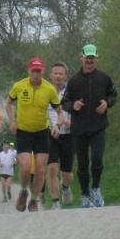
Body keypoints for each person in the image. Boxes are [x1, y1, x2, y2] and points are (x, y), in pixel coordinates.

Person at [61, 44, 117, 208]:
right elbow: (64, 102)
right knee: (83, 163)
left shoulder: (104, 78)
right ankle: (85, 195)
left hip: (98, 126)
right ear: (81, 58)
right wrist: (73, 106)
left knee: (97, 158)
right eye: (87, 58)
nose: (89, 61)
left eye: (92, 58)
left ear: (97, 59)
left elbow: (113, 95)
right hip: (79, 128)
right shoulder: (74, 81)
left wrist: (107, 103)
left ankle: (95, 188)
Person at [6, 57, 64, 212]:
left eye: (38, 71)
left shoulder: (49, 89)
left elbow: (60, 112)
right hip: (23, 131)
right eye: (33, 71)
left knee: (40, 170)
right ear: (29, 71)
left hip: (41, 133)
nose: (36, 74)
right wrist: (12, 121)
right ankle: (23, 191)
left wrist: (57, 126)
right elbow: (8, 103)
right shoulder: (19, 86)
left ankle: (33, 199)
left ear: (43, 71)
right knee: (25, 167)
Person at [45, 61, 75, 209]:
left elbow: (79, 110)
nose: (58, 76)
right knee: (52, 168)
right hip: (49, 134)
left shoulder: (72, 91)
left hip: (68, 134)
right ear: (50, 75)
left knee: (67, 174)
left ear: (65, 76)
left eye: (61, 74)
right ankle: (56, 202)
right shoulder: (44, 91)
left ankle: (65, 187)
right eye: (55, 73)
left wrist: (73, 122)